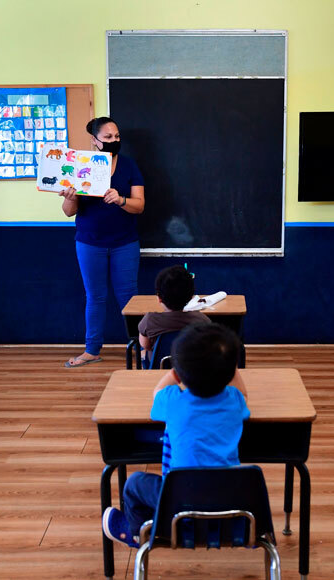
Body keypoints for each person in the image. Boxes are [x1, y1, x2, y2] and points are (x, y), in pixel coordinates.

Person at [102, 323, 249, 547]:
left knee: (134, 484)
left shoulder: (173, 401)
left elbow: (156, 392)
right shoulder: (234, 402)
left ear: (178, 375)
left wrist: (174, 373)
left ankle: (140, 533)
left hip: (179, 500)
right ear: (230, 373)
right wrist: (228, 366)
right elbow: (243, 393)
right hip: (227, 500)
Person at [60, 116, 146, 368]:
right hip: (90, 242)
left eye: (117, 136)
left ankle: (141, 348)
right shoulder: (79, 165)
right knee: (95, 297)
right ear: (94, 141)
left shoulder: (129, 166)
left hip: (125, 243)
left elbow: (139, 205)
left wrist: (120, 200)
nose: (114, 141)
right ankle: (92, 350)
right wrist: (70, 195)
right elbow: (68, 211)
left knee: (129, 298)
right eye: (108, 137)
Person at [137, 265, 210, 367]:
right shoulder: (202, 320)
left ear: (159, 298)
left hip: (159, 368)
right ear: (191, 297)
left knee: (143, 353)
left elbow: (145, 345)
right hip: (192, 370)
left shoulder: (150, 320)